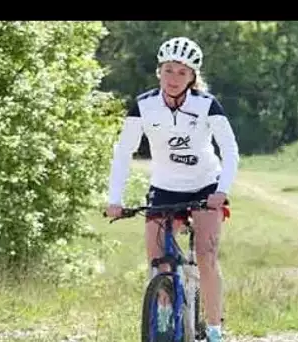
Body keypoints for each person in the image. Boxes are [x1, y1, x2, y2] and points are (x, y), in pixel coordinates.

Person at [105, 36, 239, 342]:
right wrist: (115, 199)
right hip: (164, 188)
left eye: (182, 72)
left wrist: (221, 190)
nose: (174, 78)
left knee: (206, 254)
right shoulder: (143, 106)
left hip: (205, 187)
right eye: (168, 70)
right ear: (158, 72)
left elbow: (230, 151)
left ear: (192, 76)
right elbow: (123, 152)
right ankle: (164, 314)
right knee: (157, 258)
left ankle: (215, 329)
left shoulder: (207, 105)